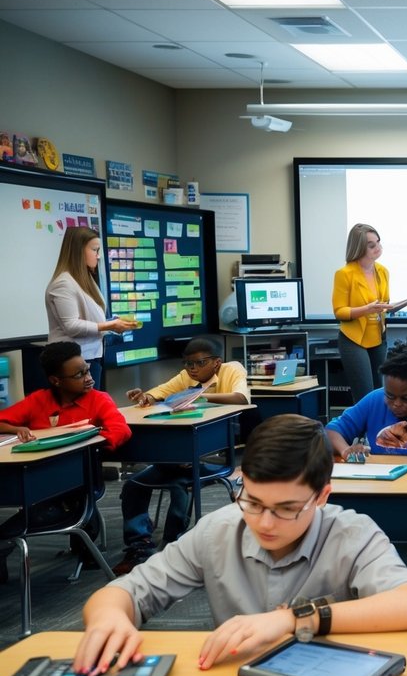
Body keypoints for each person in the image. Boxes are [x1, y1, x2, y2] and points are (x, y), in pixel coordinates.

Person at [73, 414, 407, 676]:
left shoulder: (351, 533)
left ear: (322, 496)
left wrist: (291, 620)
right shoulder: (218, 529)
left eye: (287, 509)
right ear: (240, 481)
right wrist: (109, 618)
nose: (264, 522)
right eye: (254, 502)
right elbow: (125, 592)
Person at [116, 336, 250, 574]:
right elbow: (161, 393)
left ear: (217, 362)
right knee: (133, 485)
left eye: (199, 363)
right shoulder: (186, 376)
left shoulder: (232, 369)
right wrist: (145, 397)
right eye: (188, 364)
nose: (192, 369)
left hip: (212, 454)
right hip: (181, 453)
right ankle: (140, 546)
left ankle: (171, 546)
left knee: (180, 484)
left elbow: (240, 398)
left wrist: (197, 397)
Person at [325, 340, 407, 579]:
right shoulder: (374, 400)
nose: (396, 404)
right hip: (374, 498)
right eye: (390, 396)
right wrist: (345, 451)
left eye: (405, 399)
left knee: (397, 567)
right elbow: (333, 430)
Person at [0, 341, 132, 569]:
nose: (88, 377)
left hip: (78, 483)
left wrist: (91, 444)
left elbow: (121, 430)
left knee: (44, 512)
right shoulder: (39, 400)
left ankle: (6, 540)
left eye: (87, 369)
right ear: (56, 380)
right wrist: (17, 429)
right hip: (40, 478)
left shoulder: (98, 399)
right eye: (79, 374)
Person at [45, 226, 138, 388]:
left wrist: (113, 322)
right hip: (72, 366)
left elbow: (91, 320)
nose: (98, 256)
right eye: (95, 250)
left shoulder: (85, 280)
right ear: (79, 251)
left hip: (89, 358)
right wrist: (110, 325)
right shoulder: (63, 284)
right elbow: (72, 326)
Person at [333, 223, 405, 404]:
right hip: (354, 339)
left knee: (382, 393)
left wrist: (390, 307)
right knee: (365, 396)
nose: (378, 248)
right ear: (359, 248)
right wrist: (367, 309)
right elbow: (339, 311)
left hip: (378, 337)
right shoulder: (344, 274)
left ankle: (380, 432)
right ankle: (364, 432)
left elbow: (384, 301)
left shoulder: (383, 271)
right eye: (372, 245)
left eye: (378, 243)